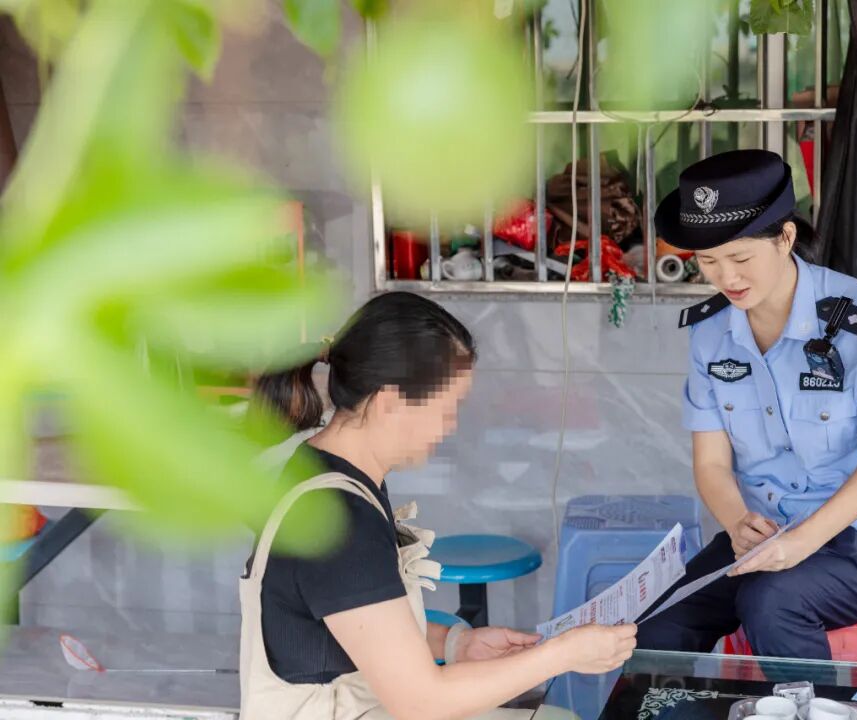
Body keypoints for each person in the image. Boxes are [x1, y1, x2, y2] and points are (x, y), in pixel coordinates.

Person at [239, 291, 635, 720]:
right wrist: (563, 654)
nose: (452, 427)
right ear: (389, 402)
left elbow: (350, 623)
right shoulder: (338, 519)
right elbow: (421, 703)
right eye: (448, 409)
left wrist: (455, 643)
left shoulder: (321, 469)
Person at [637, 149, 857, 659]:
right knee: (658, 628)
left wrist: (801, 545)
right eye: (708, 261)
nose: (726, 277)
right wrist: (736, 522)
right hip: (767, 534)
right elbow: (710, 461)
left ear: (786, 238)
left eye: (741, 258)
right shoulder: (711, 332)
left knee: (770, 601)